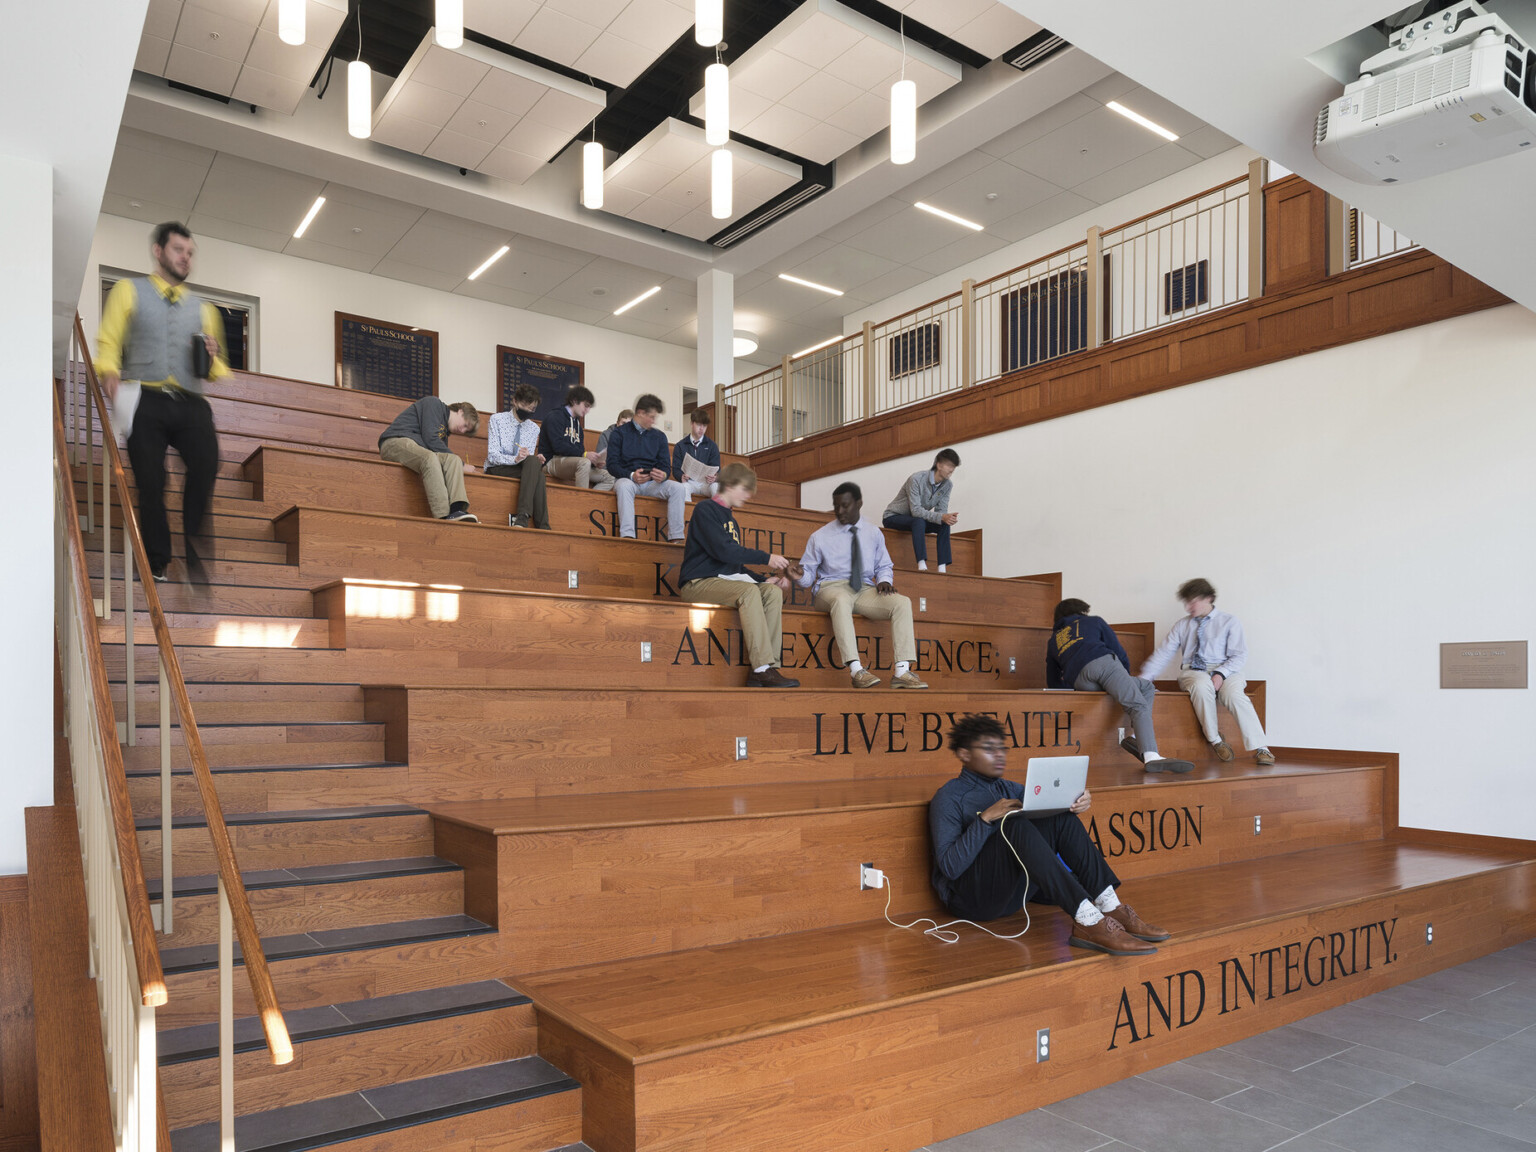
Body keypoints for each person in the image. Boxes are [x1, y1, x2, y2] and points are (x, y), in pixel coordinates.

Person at [929, 714, 1168, 955]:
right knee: (1014, 824)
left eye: (1002, 748)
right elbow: (950, 868)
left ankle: (1109, 904)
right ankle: (1087, 919)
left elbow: (1053, 818)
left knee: (1059, 816)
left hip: (1012, 896)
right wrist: (984, 819)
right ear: (965, 754)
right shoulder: (948, 797)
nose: (1000, 754)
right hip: (972, 901)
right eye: (989, 749)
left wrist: (1077, 802)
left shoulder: (1009, 788)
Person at [95, 221, 227, 585]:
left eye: (189, 253)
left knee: (206, 466)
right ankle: (157, 560)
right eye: (178, 250)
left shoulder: (204, 308)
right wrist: (108, 372)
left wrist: (213, 356)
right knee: (151, 480)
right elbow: (108, 340)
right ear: (159, 252)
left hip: (190, 402)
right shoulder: (127, 290)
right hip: (145, 399)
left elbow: (216, 372)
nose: (185, 258)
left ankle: (196, 560)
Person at [796, 481, 927, 689]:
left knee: (902, 602)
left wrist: (884, 580)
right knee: (841, 599)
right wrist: (799, 575)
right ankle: (857, 670)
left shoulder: (873, 533)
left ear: (859, 504)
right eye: (836, 506)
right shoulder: (819, 537)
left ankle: (902, 672)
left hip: (864, 589)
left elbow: (884, 565)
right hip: (830, 589)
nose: (840, 511)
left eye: (845, 505)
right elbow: (807, 578)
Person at [680, 462, 800, 688]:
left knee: (772, 592)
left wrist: (765, 579)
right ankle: (761, 668)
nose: (748, 496)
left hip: (722, 581)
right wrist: (767, 558)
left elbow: (733, 564)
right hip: (698, 583)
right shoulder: (705, 510)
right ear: (730, 485)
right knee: (748, 592)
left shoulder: (731, 520)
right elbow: (723, 551)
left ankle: (770, 667)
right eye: (745, 490)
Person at [1047, 598, 1195, 774]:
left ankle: (1134, 738)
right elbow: (1117, 650)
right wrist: (1123, 676)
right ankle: (1151, 755)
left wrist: (1064, 694)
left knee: (1146, 686)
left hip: (1080, 681)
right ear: (1081, 611)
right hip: (1103, 664)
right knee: (1137, 704)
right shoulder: (1093, 621)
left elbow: (1052, 676)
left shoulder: (1054, 639)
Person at [1140, 578, 1275, 766]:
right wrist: (1144, 678)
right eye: (1186, 602)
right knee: (1201, 686)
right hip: (1194, 671)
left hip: (1228, 669)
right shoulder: (1182, 625)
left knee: (1235, 695)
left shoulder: (1229, 621)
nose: (1188, 607)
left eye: (1193, 601)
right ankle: (1216, 740)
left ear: (1209, 598)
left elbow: (1239, 656)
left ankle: (1262, 748)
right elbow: (1163, 653)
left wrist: (1221, 673)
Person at [378, 395, 480, 522]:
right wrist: (463, 465)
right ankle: (443, 516)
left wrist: (458, 463)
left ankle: (457, 510)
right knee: (431, 458)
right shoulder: (434, 404)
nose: (462, 431)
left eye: (466, 430)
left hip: (417, 448)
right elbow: (430, 438)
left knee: (452, 460)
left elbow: (440, 452)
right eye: (465, 425)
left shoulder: (444, 435)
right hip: (394, 442)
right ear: (460, 411)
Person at [608, 394, 687, 541]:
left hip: (652, 483)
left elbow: (665, 466)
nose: (654, 421)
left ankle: (676, 537)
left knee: (678, 488)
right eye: (651, 417)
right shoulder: (619, 433)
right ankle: (628, 536)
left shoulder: (660, 436)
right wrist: (631, 475)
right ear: (640, 413)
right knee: (624, 486)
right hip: (628, 480)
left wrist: (663, 475)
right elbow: (611, 465)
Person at [883, 447, 960, 572]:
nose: (952, 469)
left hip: (916, 519)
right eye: (949, 465)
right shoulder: (916, 479)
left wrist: (946, 518)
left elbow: (941, 511)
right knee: (918, 520)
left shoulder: (948, 485)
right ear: (939, 465)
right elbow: (916, 511)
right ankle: (921, 564)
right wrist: (941, 517)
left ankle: (942, 567)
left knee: (944, 524)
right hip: (893, 516)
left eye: (954, 467)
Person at [484, 383, 550, 529]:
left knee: (535, 464)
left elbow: (528, 461)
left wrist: (533, 459)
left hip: (520, 469)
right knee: (538, 475)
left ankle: (523, 518)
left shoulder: (534, 428)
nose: (528, 410)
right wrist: (515, 459)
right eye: (525, 405)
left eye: (532, 408)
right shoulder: (497, 420)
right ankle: (541, 525)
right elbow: (492, 456)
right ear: (515, 401)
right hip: (498, 467)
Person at [539, 386, 614, 491]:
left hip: (571, 463)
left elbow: (579, 451)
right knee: (584, 463)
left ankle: (589, 503)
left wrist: (594, 463)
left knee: (609, 477)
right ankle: (582, 503)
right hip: (551, 462)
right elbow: (558, 447)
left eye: (589, 407)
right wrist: (585, 455)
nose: (587, 410)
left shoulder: (577, 425)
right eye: (586, 406)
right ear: (574, 401)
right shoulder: (554, 416)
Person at [672, 409, 720, 500]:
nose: (702, 429)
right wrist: (681, 476)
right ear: (691, 423)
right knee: (683, 488)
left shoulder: (712, 446)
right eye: (699, 425)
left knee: (716, 487)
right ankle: (688, 514)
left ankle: (716, 514)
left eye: (704, 426)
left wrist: (715, 477)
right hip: (689, 482)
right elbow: (676, 469)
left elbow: (716, 468)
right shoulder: (680, 446)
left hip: (706, 483)